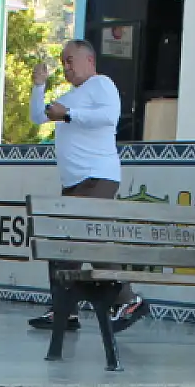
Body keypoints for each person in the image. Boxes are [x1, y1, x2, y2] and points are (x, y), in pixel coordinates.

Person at [26, 40, 147, 335]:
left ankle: (128, 300)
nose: (66, 67)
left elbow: (108, 116)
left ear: (89, 60)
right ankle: (64, 309)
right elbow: (38, 116)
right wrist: (39, 86)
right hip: (74, 182)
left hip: (97, 177)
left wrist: (68, 114)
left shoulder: (101, 84)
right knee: (62, 244)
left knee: (88, 239)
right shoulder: (73, 95)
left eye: (71, 61)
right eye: (63, 62)